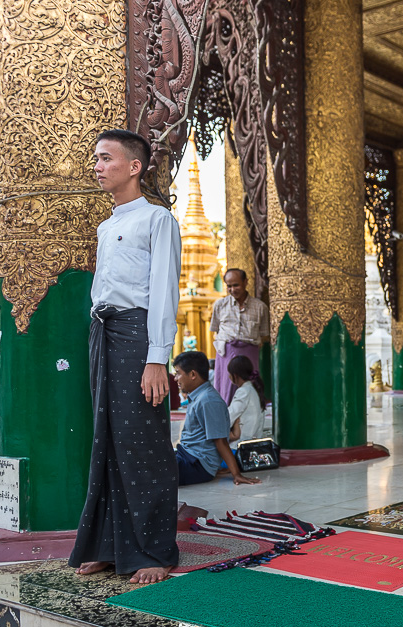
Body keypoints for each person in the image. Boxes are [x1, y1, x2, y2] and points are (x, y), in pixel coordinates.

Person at [69, 130, 182, 585]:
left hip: (138, 336)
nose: (97, 166)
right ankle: (110, 546)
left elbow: (163, 293)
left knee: (143, 442)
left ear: (134, 166)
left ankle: (155, 550)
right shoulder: (106, 225)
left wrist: (157, 358)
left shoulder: (158, 221)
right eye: (95, 158)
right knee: (108, 441)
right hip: (104, 333)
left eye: (106, 158)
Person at [172, 351, 261, 486]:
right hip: (189, 456)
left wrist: (236, 474)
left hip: (197, 464)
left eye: (178, 373)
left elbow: (220, 441)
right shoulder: (198, 396)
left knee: (152, 470)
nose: (175, 378)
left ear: (193, 375)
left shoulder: (208, 400)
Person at [209, 268, 270, 404]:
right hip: (226, 352)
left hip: (250, 352)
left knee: (250, 388)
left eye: (236, 285)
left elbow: (264, 334)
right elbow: (216, 330)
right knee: (227, 388)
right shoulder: (220, 305)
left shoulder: (260, 307)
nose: (232, 289)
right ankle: (227, 421)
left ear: (245, 282)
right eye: (229, 286)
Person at [227, 355, 268, 449]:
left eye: (229, 373)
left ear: (235, 375)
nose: (229, 377)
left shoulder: (243, 391)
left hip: (240, 446)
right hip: (252, 444)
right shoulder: (253, 389)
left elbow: (229, 417)